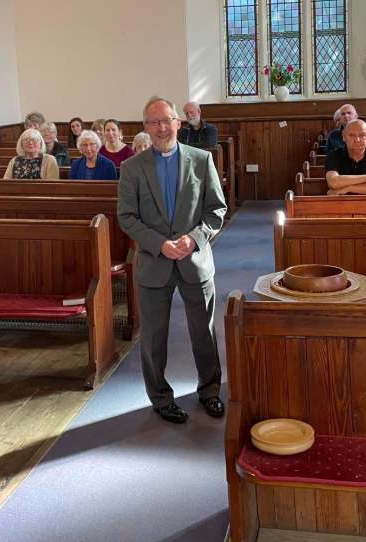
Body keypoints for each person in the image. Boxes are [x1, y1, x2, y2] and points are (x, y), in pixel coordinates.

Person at [117, 96, 227, 424]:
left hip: (195, 260)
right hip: (154, 262)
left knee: (204, 331)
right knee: (153, 336)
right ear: (146, 128)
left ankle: (209, 390)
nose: (161, 127)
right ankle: (161, 398)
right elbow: (127, 216)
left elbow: (216, 209)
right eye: (153, 122)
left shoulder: (201, 159)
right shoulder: (132, 168)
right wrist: (159, 244)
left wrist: (193, 239)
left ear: (178, 122)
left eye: (167, 120)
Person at [325, 120, 366, 195]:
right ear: (344, 137)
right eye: (351, 135)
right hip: (341, 203)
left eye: (362, 135)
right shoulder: (333, 155)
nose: (357, 140)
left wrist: (348, 188)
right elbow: (333, 182)